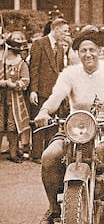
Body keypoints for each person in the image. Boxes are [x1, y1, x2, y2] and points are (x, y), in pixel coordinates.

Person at [34, 30, 104, 224]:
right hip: (77, 127)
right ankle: (53, 207)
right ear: (77, 53)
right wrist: (44, 111)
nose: (88, 54)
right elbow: (55, 97)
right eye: (83, 50)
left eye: (92, 50)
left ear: (100, 52)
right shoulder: (70, 73)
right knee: (49, 156)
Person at [29, 17, 69, 163]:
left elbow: (59, 70)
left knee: (53, 123)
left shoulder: (59, 47)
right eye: (64, 31)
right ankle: (37, 154)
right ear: (56, 29)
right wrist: (33, 90)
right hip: (40, 90)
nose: (66, 34)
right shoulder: (39, 43)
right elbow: (33, 68)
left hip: (54, 92)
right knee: (39, 122)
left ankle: (49, 153)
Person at [0, 31, 30, 163]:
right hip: (1, 98)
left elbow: (26, 81)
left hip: (14, 100)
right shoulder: (2, 62)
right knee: (0, 125)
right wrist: (2, 83)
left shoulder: (21, 64)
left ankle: (13, 152)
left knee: (13, 126)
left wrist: (13, 84)